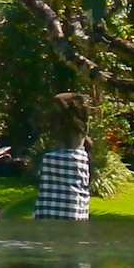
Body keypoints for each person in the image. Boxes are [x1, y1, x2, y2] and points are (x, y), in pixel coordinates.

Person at [33, 94, 93, 222]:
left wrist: (74, 96)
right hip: (76, 161)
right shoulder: (81, 126)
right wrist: (78, 96)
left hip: (59, 159)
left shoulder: (64, 124)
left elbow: (57, 97)